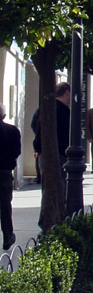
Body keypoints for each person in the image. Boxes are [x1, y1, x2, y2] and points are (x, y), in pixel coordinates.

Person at [0, 103, 21, 250]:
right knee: (5, 206)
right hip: (5, 172)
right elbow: (17, 151)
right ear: (4, 115)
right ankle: (8, 236)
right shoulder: (12, 131)